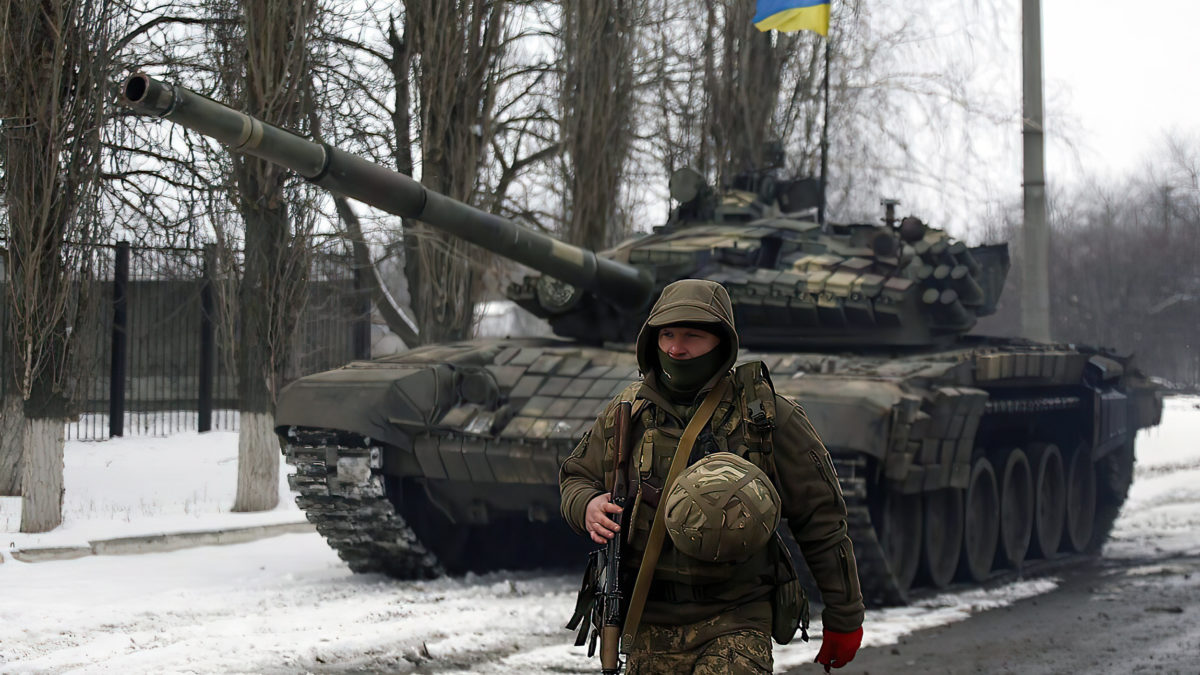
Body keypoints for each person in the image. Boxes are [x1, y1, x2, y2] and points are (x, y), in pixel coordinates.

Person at [560, 279, 865, 674]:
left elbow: (821, 519)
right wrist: (586, 505)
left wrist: (844, 615)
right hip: (647, 619)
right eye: (666, 334)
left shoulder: (768, 417)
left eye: (692, 335)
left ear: (721, 341)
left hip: (736, 618)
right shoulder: (627, 413)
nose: (675, 348)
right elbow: (575, 477)